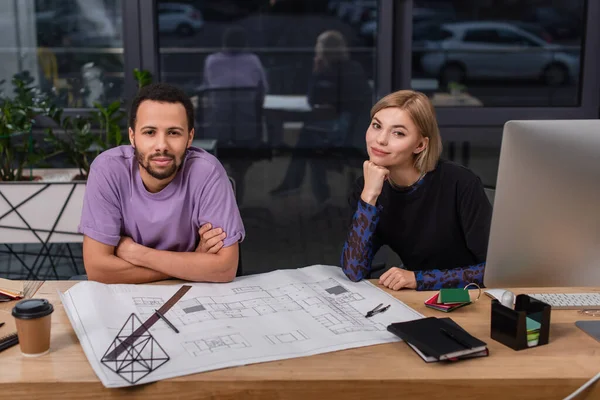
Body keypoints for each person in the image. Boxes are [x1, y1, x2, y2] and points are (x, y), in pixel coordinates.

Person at [79, 83, 245, 284]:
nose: (161, 146)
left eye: (173, 133)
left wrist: (138, 254)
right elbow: (98, 270)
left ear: (189, 137)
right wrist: (192, 261)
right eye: (149, 132)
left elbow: (225, 268)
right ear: (133, 137)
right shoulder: (108, 170)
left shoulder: (207, 172)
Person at [340, 90, 492, 291]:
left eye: (398, 133)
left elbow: (494, 271)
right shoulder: (368, 186)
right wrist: (369, 197)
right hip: (416, 299)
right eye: (377, 126)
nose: (381, 140)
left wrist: (417, 279)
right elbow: (354, 270)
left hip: (469, 298)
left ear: (420, 145)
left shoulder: (460, 183)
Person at [269, 30, 371, 205]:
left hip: (341, 131)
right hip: (353, 130)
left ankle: (299, 186)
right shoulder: (354, 68)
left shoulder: (330, 71)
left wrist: (317, 72)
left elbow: (313, 99)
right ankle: (315, 194)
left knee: (308, 140)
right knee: (310, 141)